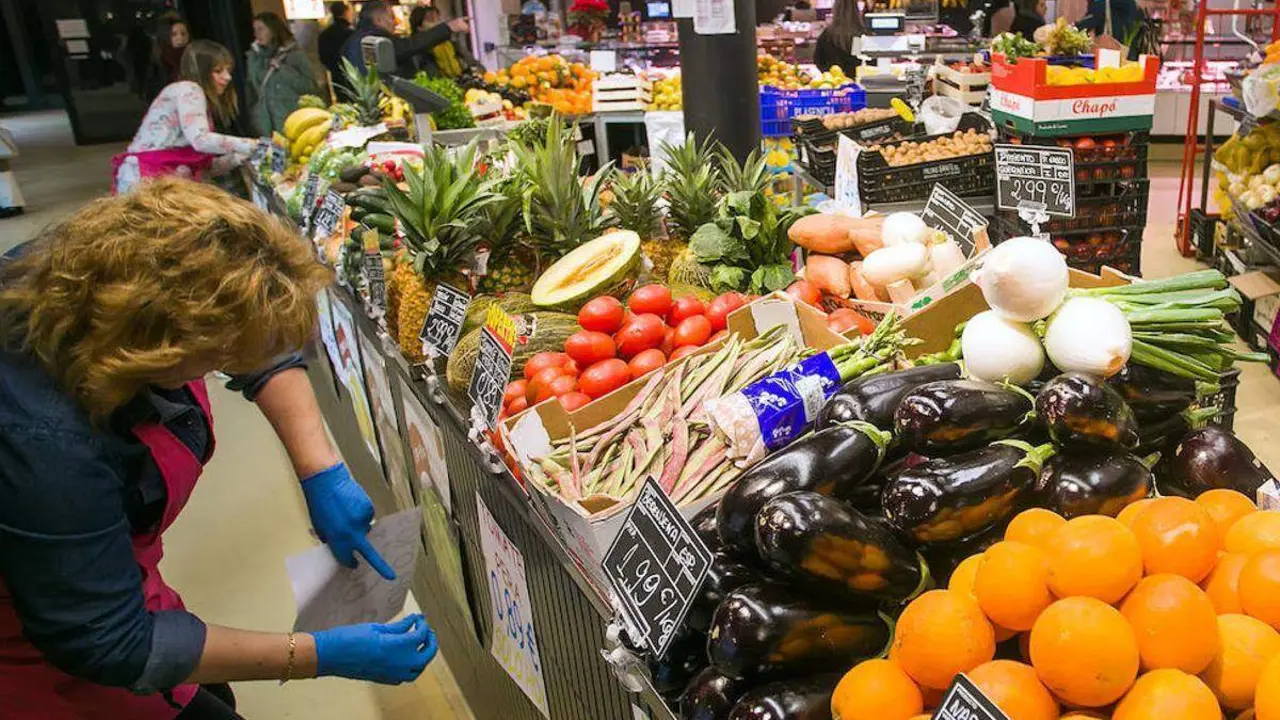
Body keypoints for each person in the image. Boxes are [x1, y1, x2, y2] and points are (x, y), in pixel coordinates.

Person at [0, 178, 438, 720]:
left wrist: (318, 469)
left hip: (125, 592)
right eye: (215, 356)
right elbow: (112, 643)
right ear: (157, 347)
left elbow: (249, 336)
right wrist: (315, 655)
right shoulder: (45, 444)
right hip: (45, 661)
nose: (228, 364)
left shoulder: (95, 268)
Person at [113, 40, 263, 195]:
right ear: (201, 72)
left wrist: (239, 157)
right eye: (218, 71)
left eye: (228, 70)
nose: (228, 77)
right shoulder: (189, 89)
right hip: (147, 181)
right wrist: (253, 145)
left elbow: (203, 167)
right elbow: (201, 140)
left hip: (151, 179)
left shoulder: (187, 93)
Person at [341, 0, 470, 78]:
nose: (395, 23)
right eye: (391, 17)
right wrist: (448, 27)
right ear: (378, 20)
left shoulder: (348, 44)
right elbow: (408, 46)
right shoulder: (377, 39)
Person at [246, 12, 320, 137]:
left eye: (261, 29)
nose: (256, 34)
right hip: (267, 126)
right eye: (255, 30)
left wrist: (284, 70)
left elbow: (310, 86)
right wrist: (254, 59)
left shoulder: (294, 54)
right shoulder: (256, 58)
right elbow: (252, 88)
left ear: (273, 30)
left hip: (292, 120)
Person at [408, 5, 479, 78]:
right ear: (419, 28)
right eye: (431, 20)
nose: (437, 23)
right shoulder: (418, 53)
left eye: (438, 19)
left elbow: (473, 63)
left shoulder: (450, 42)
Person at [813, 0, 865, 77]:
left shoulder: (827, 34)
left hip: (832, 83)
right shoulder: (860, 34)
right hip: (858, 83)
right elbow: (858, 61)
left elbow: (818, 60)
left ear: (835, 9)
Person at [318, 2, 355, 89]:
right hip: (352, 76)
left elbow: (323, 57)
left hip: (335, 75)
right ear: (346, 13)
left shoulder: (324, 34)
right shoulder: (351, 34)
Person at [155, 15, 191, 89]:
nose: (180, 38)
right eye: (174, 34)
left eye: (183, 34)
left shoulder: (193, 54)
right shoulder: (163, 59)